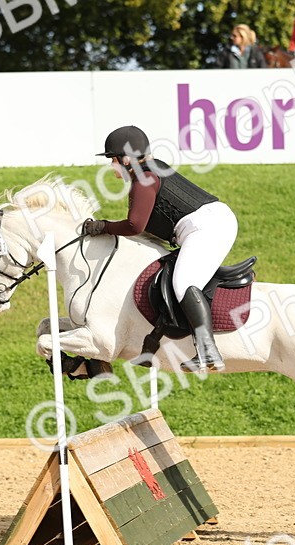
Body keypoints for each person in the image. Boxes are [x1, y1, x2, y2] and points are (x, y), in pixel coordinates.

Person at [84, 125, 237, 373]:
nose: (111, 165)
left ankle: (208, 350)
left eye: (113, 159)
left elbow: (135, 225)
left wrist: (103, 226)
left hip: (207, 227)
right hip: (207, 224)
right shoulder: (149, 171)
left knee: (184, 281)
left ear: (127, 158)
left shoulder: (144, 179)